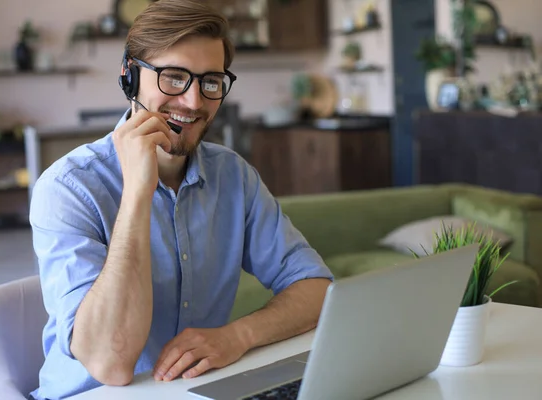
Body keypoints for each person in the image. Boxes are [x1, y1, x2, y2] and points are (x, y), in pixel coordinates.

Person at [28, 0, 333, 399]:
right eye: (174, 78)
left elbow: (316, 288)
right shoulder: (68, 188)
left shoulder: (233, 176)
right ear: (129, 76)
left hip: (198, 391)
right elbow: (109, 364)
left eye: (210, 82)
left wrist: (237, 336)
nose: (193, 102)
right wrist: (139, 190)